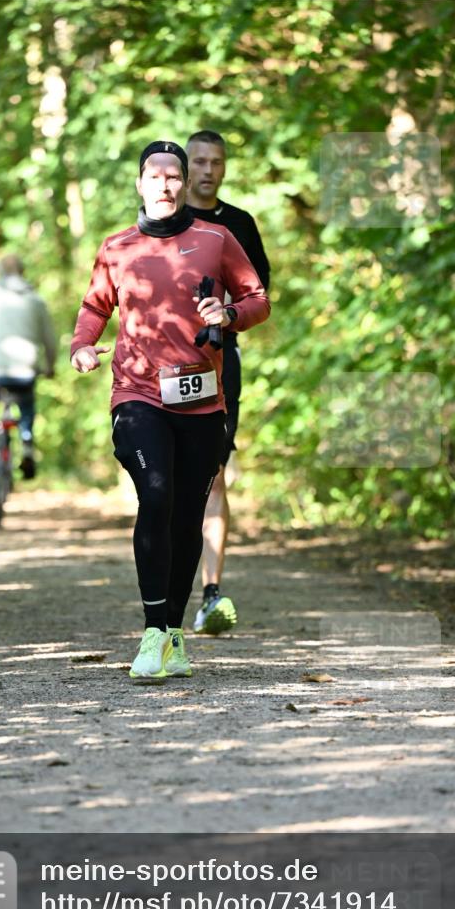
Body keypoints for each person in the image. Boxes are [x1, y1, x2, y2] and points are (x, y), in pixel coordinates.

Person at [70, 140, 270, 682]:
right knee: (154, 492)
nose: (164, 184)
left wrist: (227, 314)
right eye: (154, 175)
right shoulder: (118, 247)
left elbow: (258, 300)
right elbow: (95, 305)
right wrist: (82, 345)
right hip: (137, 394)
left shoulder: (217, 238)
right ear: (140, 183)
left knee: (186, 514)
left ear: (183, 185)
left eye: (173, 175)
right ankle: (152, 631)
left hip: (203, 398)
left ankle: (175, 634)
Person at [186, 129, 271, 636]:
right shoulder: (163, 223)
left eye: (216, 161)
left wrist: (227, 316)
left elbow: (258, 296)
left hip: (221, 362)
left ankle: (211, 593)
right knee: (173, 480)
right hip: (164, 365)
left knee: (215, 472)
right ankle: (169, 587)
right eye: (199, 160)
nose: (208, 170)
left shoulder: (239, 224)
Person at [0, 254, 56, 509]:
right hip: (25, 372)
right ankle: (27, 442)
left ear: (0, 273)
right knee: (26, 409)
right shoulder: (36, 300)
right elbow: (49, 340)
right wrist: (49, 367)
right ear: (23, 271)